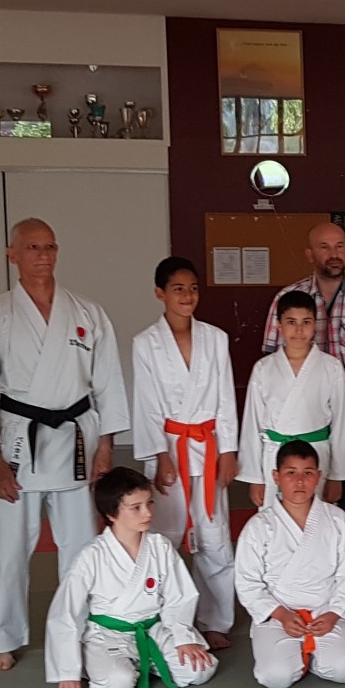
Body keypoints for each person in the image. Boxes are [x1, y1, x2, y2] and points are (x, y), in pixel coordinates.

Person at [0, 218, 130, 672]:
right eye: (33, 247)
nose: (43, 255)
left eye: (50, 246)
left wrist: (105, 447)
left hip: (77, 439)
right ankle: (1, 636)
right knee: (9, 548)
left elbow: (108, 384)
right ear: (12, 254)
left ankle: (83, 631)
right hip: (18, 441)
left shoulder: (87, 313)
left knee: (81, 546)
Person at [131, 257, 240, 649]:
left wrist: (228, 450)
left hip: (208, 446)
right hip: (170, 447)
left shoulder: (215, 338)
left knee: (214, 535)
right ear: (160, 293)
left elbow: (225, 397)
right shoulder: (146, 343)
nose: (188, 296)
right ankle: (166, 615)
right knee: (165, 533)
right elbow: (146, 403)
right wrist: (159, 455)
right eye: (178, 289)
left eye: (193, 288)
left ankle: (216, 620)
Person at [45, 467, 218, 688]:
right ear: (111, 513)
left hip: (154, 629)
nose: (147, 512)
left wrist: (183, 638)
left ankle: (144, 661)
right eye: (136, 507)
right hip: (109, 635)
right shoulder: (91, 556)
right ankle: (102, 662)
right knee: (116, 684)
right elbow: (65, 613)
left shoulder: (160, 546)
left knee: (200, 670)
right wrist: (67, 672)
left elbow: (179, 597)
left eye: (149, 503)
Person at [263, 221, 345, 532]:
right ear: (309, 254)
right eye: (325, 247)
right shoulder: (288, 298)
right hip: (301, 423)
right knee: (298, 505)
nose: (334, 254)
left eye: (340, 246)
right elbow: (270, 360)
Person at [234, 441, 345, 688]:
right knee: (276, 677)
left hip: (325, 611)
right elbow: (247, 582)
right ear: (276, 477)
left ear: (318, 476)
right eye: (291, 473)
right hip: (277, 613)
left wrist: (334, 613)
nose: (300, 481)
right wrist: (281, 614)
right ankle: (299, 653)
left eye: (308, 473)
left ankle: (312, 655)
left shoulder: (338, 520)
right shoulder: (259, 526)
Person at [240, 291, 345, 503]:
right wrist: (255, 478)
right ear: (279, 325)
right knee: (275, 517)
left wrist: (337, 476)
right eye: (291, 322)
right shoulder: (263, 368)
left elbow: (343, 423)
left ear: (315, 324)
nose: (298, 330)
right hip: (275, 457)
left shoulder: (331, 367)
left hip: (317, 455)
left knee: (316, 514)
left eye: (306, 322)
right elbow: (252, 423)